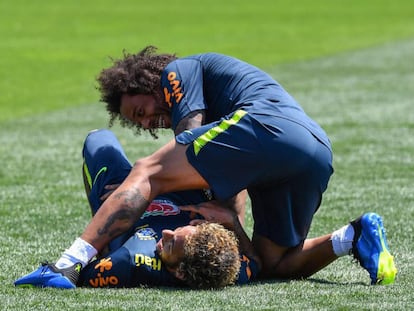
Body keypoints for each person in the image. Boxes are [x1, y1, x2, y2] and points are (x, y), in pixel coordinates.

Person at [16, 46, 397, 287]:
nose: (147, 123)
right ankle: (353, 235)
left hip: (270, 127)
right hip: (313, 152)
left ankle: (66, 265)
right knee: (275, 263)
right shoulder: (226, 137)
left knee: (147, 171)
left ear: (149, 84)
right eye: (139, 123)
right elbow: (229, 197)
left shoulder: (178, 72)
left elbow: (188, 136)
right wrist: (224, 226)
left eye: (141, 111)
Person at [15, 129, 260, 289]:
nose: (167, 234)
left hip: (122, 198)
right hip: (177, 188)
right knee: (232, 156)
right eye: (182, 231)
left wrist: (116, 205)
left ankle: (105, 209)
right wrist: (231, 221)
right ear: (197, 226)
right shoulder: (229, 268)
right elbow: (256, 262)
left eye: (171, 244)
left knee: (98, 139)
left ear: (179, 274)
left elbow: (85, 274)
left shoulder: (131, 262)